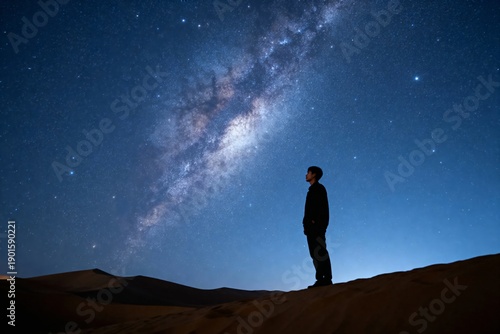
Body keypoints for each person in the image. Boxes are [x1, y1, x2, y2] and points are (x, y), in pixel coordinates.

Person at [302, 166, 333, 288]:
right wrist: (306, 224)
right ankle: (320, 279)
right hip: (310, 228)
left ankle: (326, 279)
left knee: (320, 251)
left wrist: (318, 223)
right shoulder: (311, 190)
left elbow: (323, 208)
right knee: (314, 254)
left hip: (317, 227)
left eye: (308, 172)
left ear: (314, 175)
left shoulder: (319, 189)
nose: (306, 175)